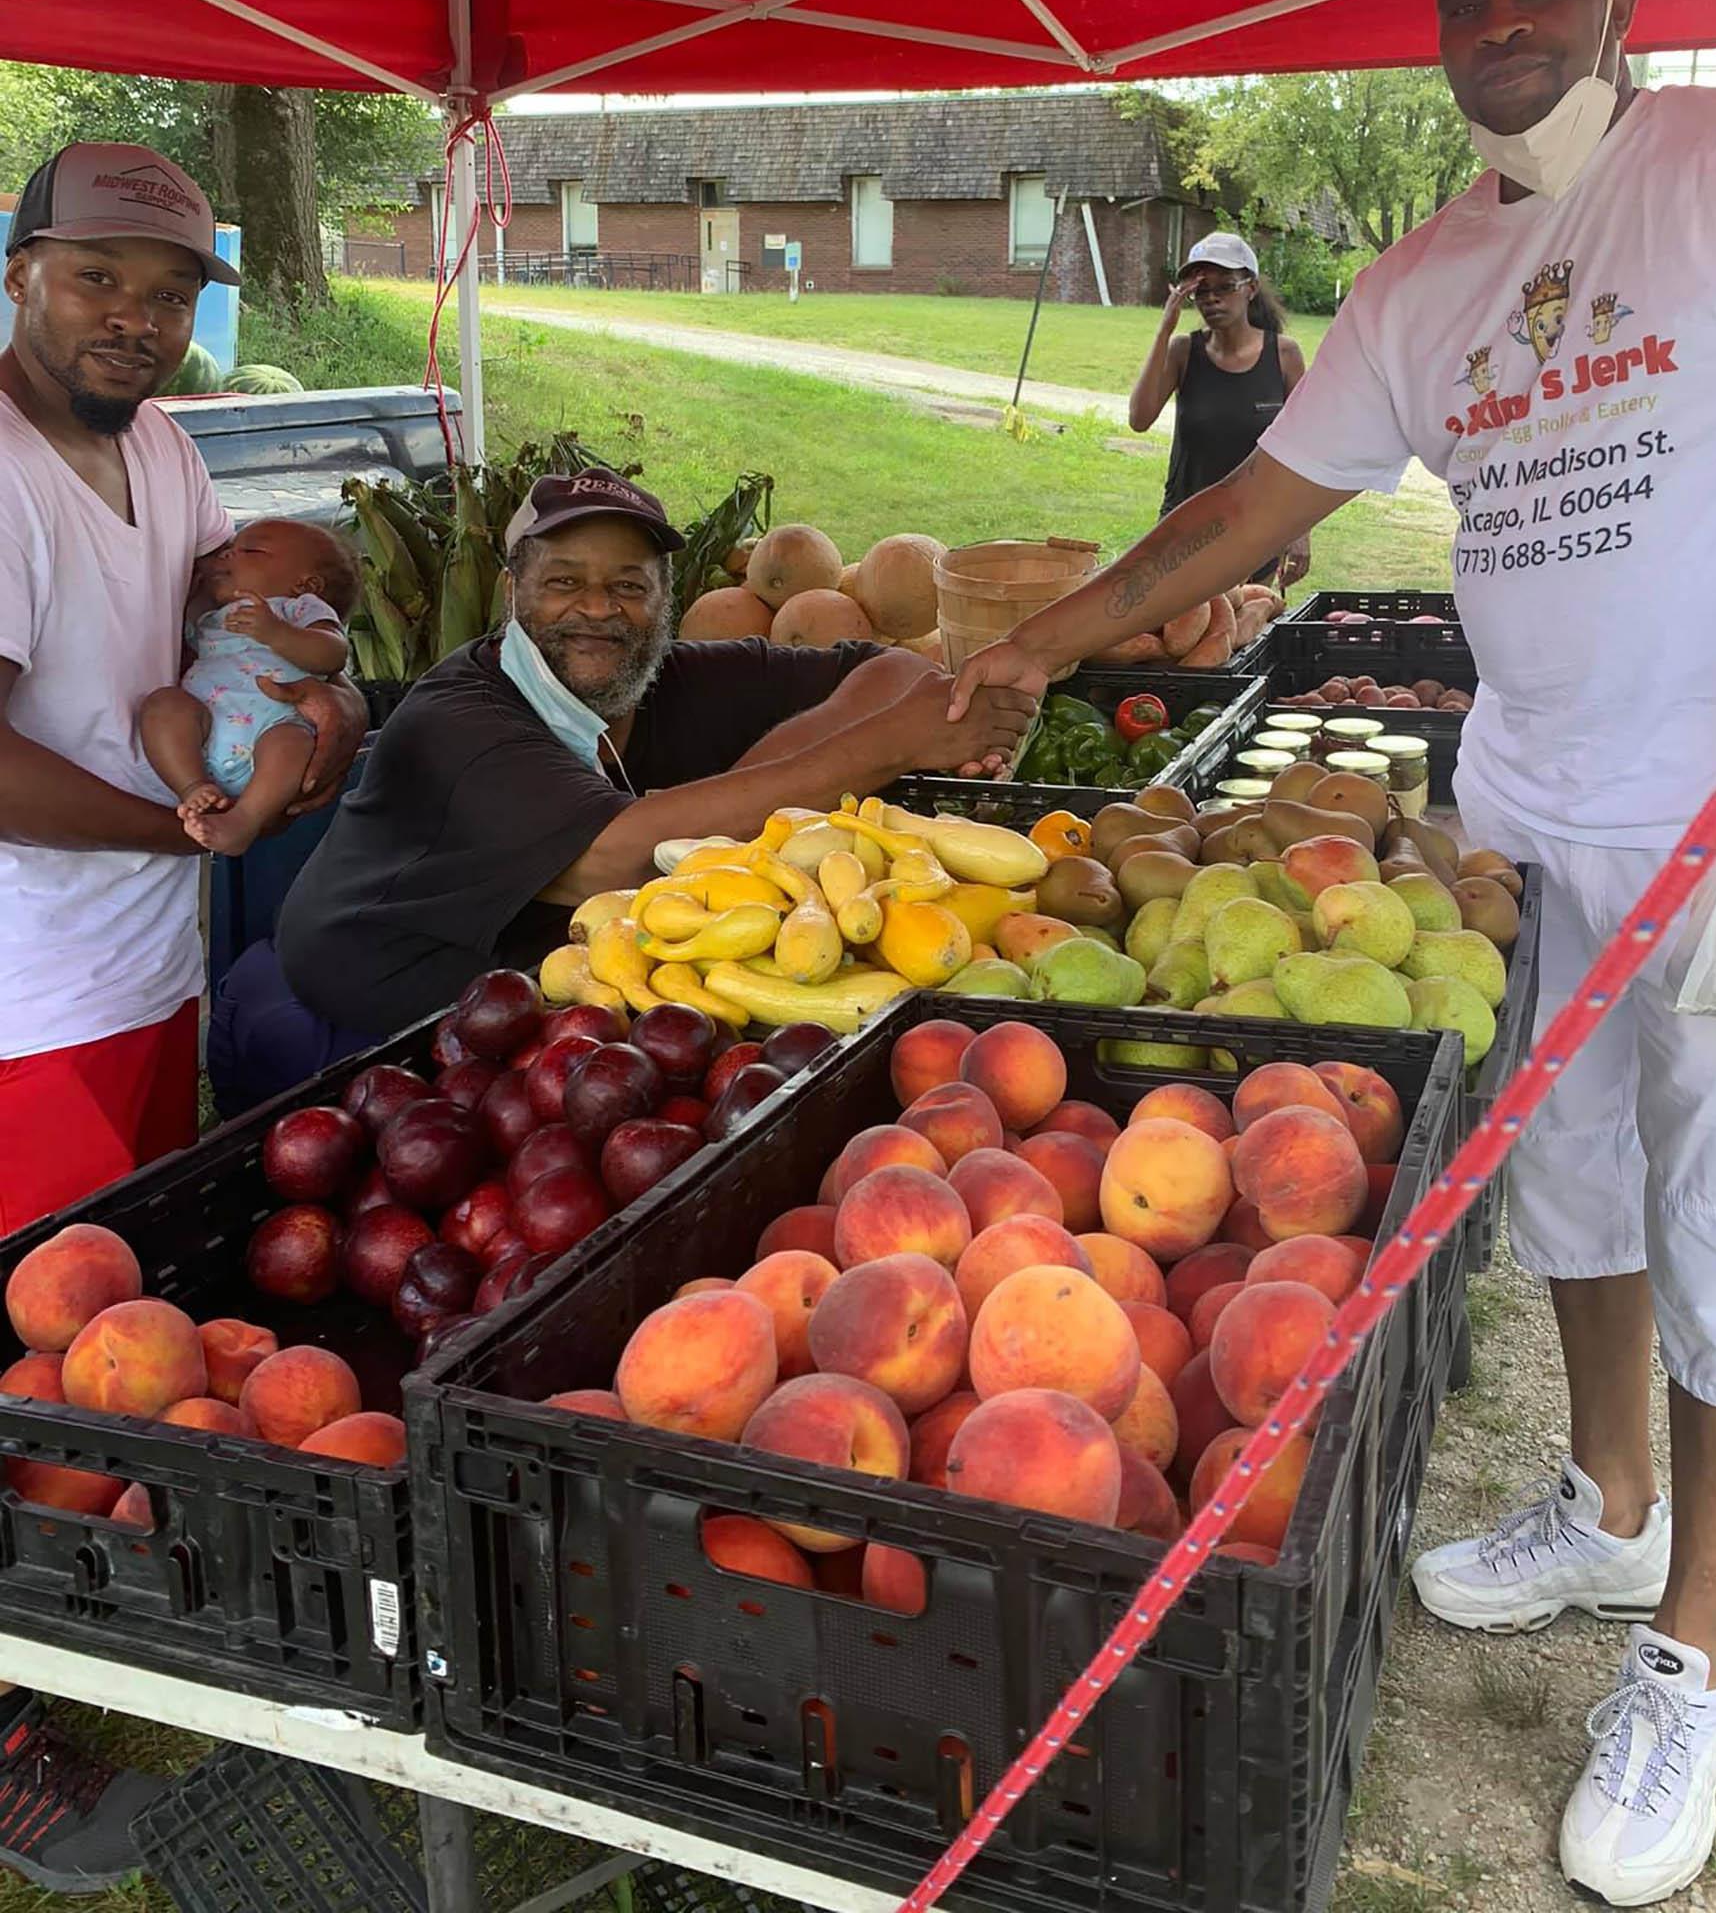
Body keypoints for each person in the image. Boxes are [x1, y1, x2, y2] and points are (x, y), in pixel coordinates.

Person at [951, 0, 1716, 1909]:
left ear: (1626, 5)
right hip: (1531, 791)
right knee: (1583, 1184)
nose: (1498, 14)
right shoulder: (1427, 278)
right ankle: (1606, 1501)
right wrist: (1054, 640)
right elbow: (1254, 504)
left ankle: (1692, 1654)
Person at [0, 141, 364, 1891]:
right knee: (22, 1346)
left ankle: (98, 1599)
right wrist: (176, 821)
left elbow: (267, 622)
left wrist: (328, 708)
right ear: (21, 269)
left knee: (116, 1325)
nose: (133, 319)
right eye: (96, 280)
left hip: (139, 970)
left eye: (164, 291)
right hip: (20, 996)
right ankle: (11, 1742)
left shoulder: (159, 446)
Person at [210, 466, 1035, 1103]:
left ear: (666, 598)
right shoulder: (461, 715)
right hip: (371, 1025)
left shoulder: (670, 674)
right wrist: (883, 748)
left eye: (629, 586)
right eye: (564, 581)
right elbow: (615, 859)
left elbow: (888, 667)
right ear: (512, 594)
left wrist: (766, 791)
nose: (598, 608)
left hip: (559, 997)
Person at [140, 517, 360, 855]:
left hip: (269, 729)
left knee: (292, 742)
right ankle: (193, 788)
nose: (227, 556)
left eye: (251, 550)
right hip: (204, 726)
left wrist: (278, 633)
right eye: (229, 550)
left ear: (306, 584)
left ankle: (244, 819)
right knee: (164, 706)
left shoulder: (297, 609)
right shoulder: (215, 615)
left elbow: (333, 653)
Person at [1128, 229, 1309, 584]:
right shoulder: (1183, 352)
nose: (1211, 299)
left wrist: (1300, 529)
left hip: (1256, 530)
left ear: (1251, 288)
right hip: (1184, 531)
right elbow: (1139, 418)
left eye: (1225, 286)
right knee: (1184, 635)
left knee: (1244, 630)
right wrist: (1165, 330)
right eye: (1201, 290)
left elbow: (1304, 449)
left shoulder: (1284, 355)